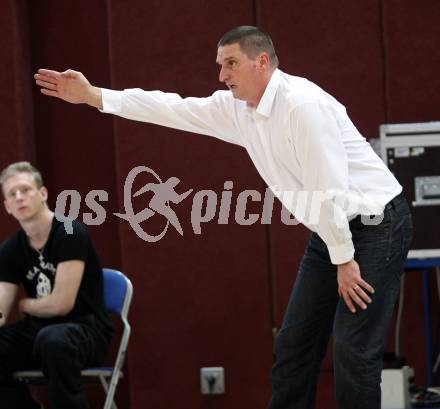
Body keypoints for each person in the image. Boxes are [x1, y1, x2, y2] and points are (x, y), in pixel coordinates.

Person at [34, 26, 413, 409]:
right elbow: (171, 107)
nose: (222, 75)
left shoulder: (302, 106)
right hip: (332, 230)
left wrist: (344, 259)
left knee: (353, 350)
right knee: (293, 345)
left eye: (230, 64)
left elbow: (328, 188)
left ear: (261, 62)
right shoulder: (238, 111)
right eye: (220, 66)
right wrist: (94, 96)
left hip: (376, 224)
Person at [0, 162, 114, 409]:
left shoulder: (70, 231)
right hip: (40, 332)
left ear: (43, 194)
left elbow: (62, 304)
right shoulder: (11, 249)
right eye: (12, 194)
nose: (19, 197)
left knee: (53, 340)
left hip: (84, 328)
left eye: (26, 189)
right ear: (7, 207)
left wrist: (27, 304)